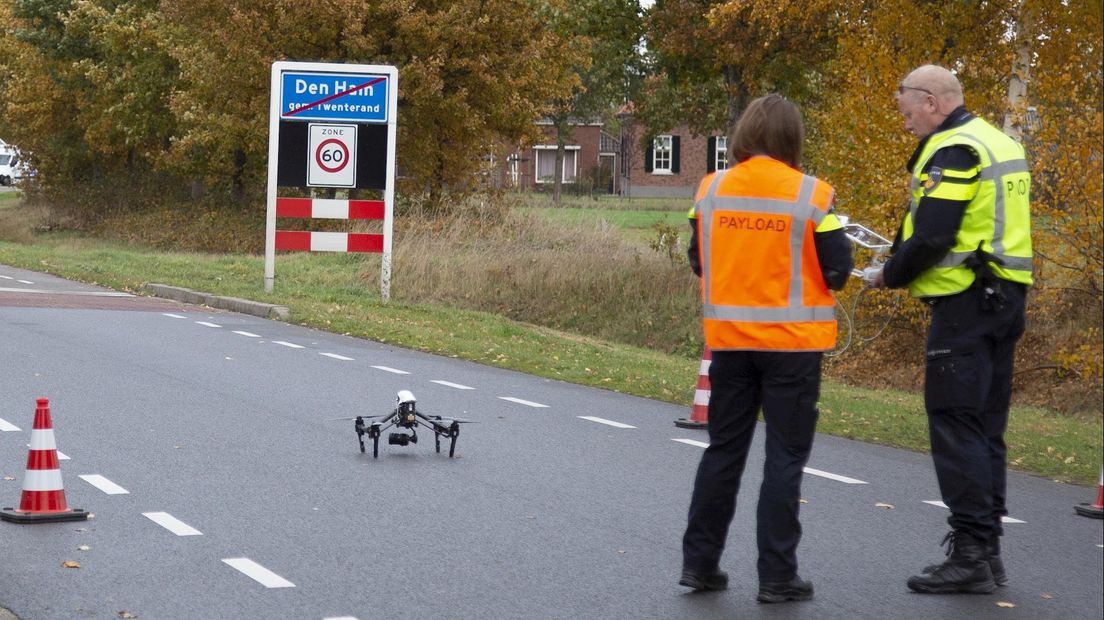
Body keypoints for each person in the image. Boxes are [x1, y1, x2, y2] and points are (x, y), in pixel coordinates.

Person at [679, 94, 852, 603]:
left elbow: (697, 259)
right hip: (793, 348)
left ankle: (699, 564)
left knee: (723, 452)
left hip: (730, 343)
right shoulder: (814, 195)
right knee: (784, 458)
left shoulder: (710, 189)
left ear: (744, 136)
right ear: (792, 139)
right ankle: (777, 576)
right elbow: (838, 270)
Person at [869, 64, 1033, 594]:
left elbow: (936, 232)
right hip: (1004, 297)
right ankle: (988, 553)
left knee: (955, 423)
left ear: (931, 102)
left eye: (907, 111)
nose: (906, 122)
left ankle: (969, 553)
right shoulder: (996, 141)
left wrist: (890, 274)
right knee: (985, 428)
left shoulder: (954, 149)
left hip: (965, 303)